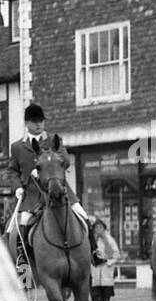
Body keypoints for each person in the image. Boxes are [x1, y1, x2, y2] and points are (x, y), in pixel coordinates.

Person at [10, 102, 102, 266]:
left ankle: (95, 252)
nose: (39, 124)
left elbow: (66, 160)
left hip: (59, 190)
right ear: (27, 123)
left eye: (41, 121)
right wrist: (17, 187)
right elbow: (12, 171)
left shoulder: (53, 140)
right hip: (32, 196)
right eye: (35, 121)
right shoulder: (17, 147)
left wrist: (49, 164)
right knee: (21, 225)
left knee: (83, 215)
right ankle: (23, 261)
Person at [89, 219, 120, 301]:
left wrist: (109, 262)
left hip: (106, 267)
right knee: (96, 290)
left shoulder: (109, 239)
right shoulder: (93, 241)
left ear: (104, 228)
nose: (98, 230)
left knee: (106, 290)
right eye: (96, 228)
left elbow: (116, 253)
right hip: (95, 267)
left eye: (100, 227)